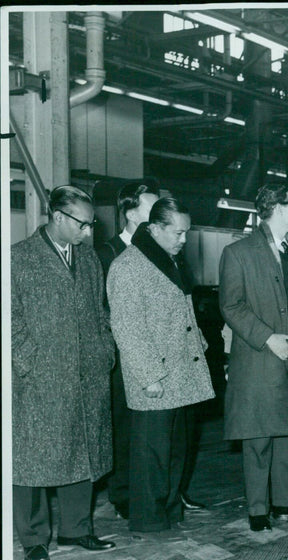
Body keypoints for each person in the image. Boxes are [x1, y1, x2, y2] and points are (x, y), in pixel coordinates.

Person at [11, 185, 117, 560]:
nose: (89, 232)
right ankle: (34, 539)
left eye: (90, 225)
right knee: (33, 459)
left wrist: (105, 350)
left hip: (86, 372)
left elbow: (101, 312)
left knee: (81, 449)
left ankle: (77, 529)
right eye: (83, 225)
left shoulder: (89, 261)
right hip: (39, 377)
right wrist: (28, 362)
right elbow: (9, 320)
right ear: (58, 218)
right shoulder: (18, 259)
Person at [219, 182, 288, 532]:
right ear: (278, 208)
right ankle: (258, 508)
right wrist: (267, 338)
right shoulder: (240, 252)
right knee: (260, 431)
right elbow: (231, 305)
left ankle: (287, 501)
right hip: (265, 351)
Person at [107, 197, 214, 533]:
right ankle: (148, 520)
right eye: (178, 233)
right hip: (155, 377)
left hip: (182, 372)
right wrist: (149, 376)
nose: (183, 240)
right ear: (154, 229)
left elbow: (185, 313)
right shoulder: (128, 267)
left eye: (186, 233)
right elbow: (126, 327)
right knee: (151, 456)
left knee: (176, 451)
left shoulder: (170, 261)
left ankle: (169, 511)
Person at [96, 182, 159, 520]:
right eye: (153, 207)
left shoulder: (159, 251)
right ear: (132, 213)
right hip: (122, 356)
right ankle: (123, 494)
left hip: (157, 351)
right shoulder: (107, 253)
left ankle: (159, 489)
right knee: (124, 426)